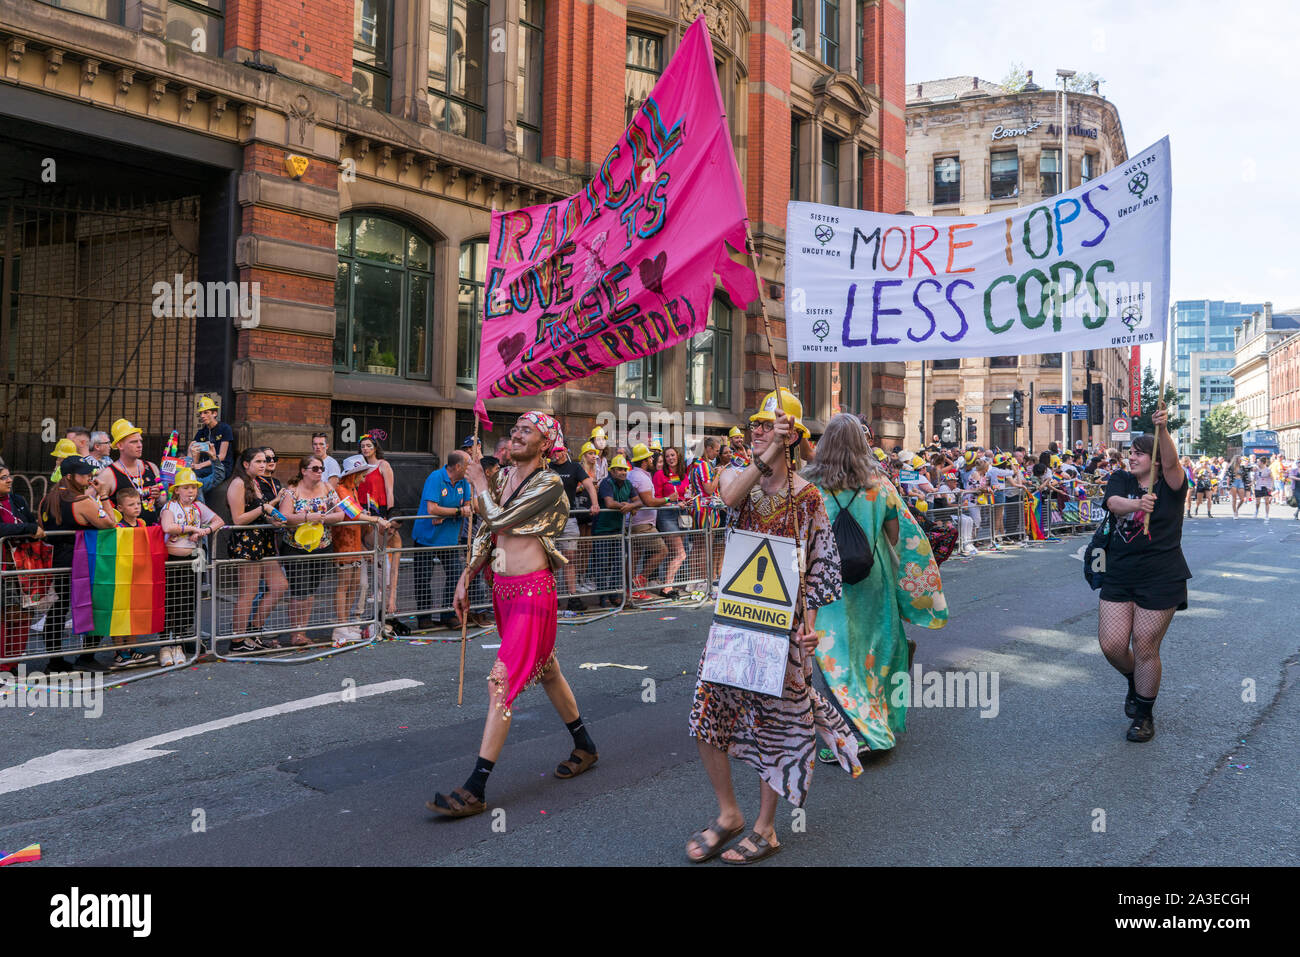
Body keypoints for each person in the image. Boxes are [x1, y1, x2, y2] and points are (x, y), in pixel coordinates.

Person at [685, 390, 862, 865]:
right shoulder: (736, 477)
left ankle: (766, 827)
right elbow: (727, 498)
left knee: (777, 728)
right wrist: (764, 459)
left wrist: (808, 630)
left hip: (782, 633)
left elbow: (820, 570)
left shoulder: (808, 498)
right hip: (734, 624)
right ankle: (728, 814)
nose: (757, 431)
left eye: (768, 425)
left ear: (792, 436)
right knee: (707, 716)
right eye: (755, 425)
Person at [427, 412, 599, 817]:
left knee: (499, 683)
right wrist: (467, 575)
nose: (517, 435)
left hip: (533, 593)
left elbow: (501, 517)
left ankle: (476, 787)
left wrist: (480, 485)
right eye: (516, 429)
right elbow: (489, 532)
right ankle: (585, 745)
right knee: (548, 669)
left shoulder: (550, 483)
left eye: (528, 431)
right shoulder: (504, 478)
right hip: (502, 591)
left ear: (545, 443)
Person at [805, 413, 948, 759]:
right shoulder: (879, 486)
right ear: (862, 444)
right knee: (874, 649)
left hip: (826, 585)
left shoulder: (809, 488)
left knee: (833, 655)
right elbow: (898, 537)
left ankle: (851, 734)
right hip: (873, 580)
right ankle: (874, 723)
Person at [1097, 409, 1189, 743]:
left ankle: (1143, 716)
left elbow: (1172, 464)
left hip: (1162, 576)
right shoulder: (1122, 479)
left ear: (1153, 457)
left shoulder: (1173, 484)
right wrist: (1137, 506)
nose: (1131, 457)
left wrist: (1162, 429)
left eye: (1139, 452)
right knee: (1112, 645)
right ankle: (1136, 682)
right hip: (1120, 574)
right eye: (1130, 452)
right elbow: (1113, 503)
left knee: (1146, 645)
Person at [37, 456, 116, 672]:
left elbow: (41, 525)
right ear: (70, 476)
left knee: (60, 606)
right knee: (96, 605)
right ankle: (86, 657)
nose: (89, 476)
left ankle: (55, 660)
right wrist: (104, 495)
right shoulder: (81, 502)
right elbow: (111, 523)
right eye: (84, 473)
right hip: (83, 559)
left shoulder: (47, 499)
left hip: (59, 559)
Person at [226, 447, 289, 653]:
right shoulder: (238, 483)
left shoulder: (256, 482)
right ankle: (237, 641)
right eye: (259, 461)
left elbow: (261, 513)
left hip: (265, 541)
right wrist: (265, 508)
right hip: (247, 543)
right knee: (248, 592)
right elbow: (238, 519)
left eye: (265, 461)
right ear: (246, 464)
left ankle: (253, 631)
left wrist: (273, 520)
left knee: (279, 586)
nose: (264, 465)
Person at [159, 467, 224, 666]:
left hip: (194, 559)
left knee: (188, 600)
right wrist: (191, 528)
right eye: (186, 488)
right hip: (172, 560)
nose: (191, 492)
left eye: (193, 488)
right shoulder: (170, 507)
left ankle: (179, 642)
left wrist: (204, 531)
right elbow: (167, 527)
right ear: (176, 490)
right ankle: (164, 645)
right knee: (169, 601)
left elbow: (219, 521)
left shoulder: (197, 507)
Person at [279, 456, 346, 646]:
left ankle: (304, 630)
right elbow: (284, 516)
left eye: (321, 468)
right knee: (299, 590)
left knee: (310, 591)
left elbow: (340, 514)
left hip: (323, 546)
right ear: (303, 471)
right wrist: (309, 517)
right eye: (315, 468)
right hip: (295, 548)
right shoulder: (292, 491)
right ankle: (296, 633)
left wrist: (323, 519)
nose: (319, 471)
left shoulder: (327, 488)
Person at [333, 454, 394, 644]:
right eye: (361, 474)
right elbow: (353, 513)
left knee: (356, 585)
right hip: (344, 542)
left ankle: (349, 622)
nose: (364, 477)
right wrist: (375, 518)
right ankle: (341, 625)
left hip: (355, 541)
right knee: (344, 585)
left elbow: (358, 512)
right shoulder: (341, 489)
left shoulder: (353, 489)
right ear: (353, 474)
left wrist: (368, 515)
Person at [412, 450, 473, 630]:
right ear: (458, 466)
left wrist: (446, 512)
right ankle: (424, 617)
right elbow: (432, 509)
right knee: (423, 578)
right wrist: (456, 512)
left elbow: (468, 506)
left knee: (455, 575)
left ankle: (449, 613)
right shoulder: (436, 477)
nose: (471, 468)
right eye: (468, 465)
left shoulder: (464, 482)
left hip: (449, 538)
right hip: (427, 537)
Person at [356, 433, 405, 631]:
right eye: (363, 446)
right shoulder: (358, 467)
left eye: (369, 445)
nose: (365, 449)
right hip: (363, 513)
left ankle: (386, 609)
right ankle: (362, 612)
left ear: (375, 447)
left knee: (383, 561)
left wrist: (390, 518)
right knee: (366, 560)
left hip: (381, 513)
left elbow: (389, 490)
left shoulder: (383, 465)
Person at [0, 463, 46, 672]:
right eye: (3, 478)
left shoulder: (17, 500)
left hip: (24, 567)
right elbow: (6, 528)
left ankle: (13, 663)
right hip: (4, 569)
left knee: (24, 614)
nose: (9, 480)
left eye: (9, 476)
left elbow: (32, 522)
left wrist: (28, 528)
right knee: (5, 616)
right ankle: (2, 666)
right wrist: (27, 529)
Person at [548, 442, 599, 613]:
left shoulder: (574, 467)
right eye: (554, 451)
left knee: (570, 558)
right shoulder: (546, 467)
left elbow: (589, 485)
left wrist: (595, 504)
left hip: (569, 519)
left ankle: (572, 597)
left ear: (565, 451)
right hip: (549, 521)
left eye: (560, 451)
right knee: (552, 561)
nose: (557, 454)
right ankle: (551, 598)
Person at [627, 443, 675, 600]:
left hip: (637, 523)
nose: (651, 460)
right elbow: (649, 502)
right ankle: (639, 582)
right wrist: (669, 498)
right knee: (662, 551)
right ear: (644, 461)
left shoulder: (634, 474)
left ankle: (631, 589)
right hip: (642, 524)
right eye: (649, 458)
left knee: (635, 554)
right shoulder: (640, 477)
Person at [97, 419, 165, 525]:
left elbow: (162, 502)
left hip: (151, 533)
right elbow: (96, 505)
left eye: (140, 441)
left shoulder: (152, 467)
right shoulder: (108, 474)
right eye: (134, 442)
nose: (139, 445)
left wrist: (158, 497)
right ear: (120, 446)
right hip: (126, 536)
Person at [592, 454, 638, 607]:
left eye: (624, 469)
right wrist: (626, 506)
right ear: (612, 471)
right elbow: (609, 503)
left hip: (618, 530)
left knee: (618, 564)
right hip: (602, 529)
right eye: (619, 469)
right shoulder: (607, 482)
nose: (623, 472)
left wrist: (631, 506)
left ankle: (614, 594)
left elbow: (639, 501)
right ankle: (603, 596)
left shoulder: (628, 484)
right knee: (602, 564)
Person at [653, 446, 690, 597]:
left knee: (675, 553)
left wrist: (686, 499)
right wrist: (672, 503)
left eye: (673, 455)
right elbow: (656, 498)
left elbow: (685, 492)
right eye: (667, 456)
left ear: (678, 456)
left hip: (682, 514)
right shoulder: (659, 475)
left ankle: (668, 583)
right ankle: (667, 587)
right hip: (666, 515)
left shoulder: (682, 474)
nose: (670, 458)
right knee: (681, 554)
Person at [194, 397, 234, 484]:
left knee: (195, 477)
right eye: (201, 413)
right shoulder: (201, 433)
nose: (202, 416)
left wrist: (200, 465)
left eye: (206, 412)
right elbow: (195, 452)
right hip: (205, 467)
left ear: (214, 413)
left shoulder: (225, 428)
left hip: (222, 467)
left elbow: (222, 456)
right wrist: (193, 464)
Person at [1253, 455, 1274, 521]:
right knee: (1257, 502)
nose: (1257, 463)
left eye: (1258, 462)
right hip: (1258, 486)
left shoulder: (1268, 470)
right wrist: (1252, 484)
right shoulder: (1256, 469)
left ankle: (1267, 515)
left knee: (1267, 502)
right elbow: (1254, 478)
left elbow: (1272, 478)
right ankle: (1256, 511)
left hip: (1266, 486)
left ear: (1262, 462)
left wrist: (1271, 487)